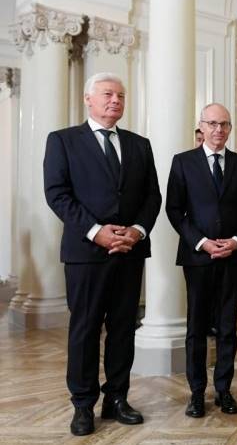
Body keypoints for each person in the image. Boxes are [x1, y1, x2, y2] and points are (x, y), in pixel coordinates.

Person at [43, 72, 161, 436]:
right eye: (108, 94)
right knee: (85, 330)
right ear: (88, 99)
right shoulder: (63, 140)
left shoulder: (139, 144)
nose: (116, 101)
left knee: (124, 329)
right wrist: (97, 232)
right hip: (85, 253)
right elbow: (58, 193)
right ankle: (82, 405)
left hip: (129, 252)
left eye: (121, 96)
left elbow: (152, 197)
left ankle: (116, 399)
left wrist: (137, 232)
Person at [165, 103, 237, 418]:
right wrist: (203, 243)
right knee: (195, 328)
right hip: (198, 258)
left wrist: (235, 242)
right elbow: (174, 210)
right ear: (201, 127)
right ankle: (196, 393)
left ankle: (223, 389)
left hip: (232, 258)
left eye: (224, 124)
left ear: (230, 129)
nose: (219, 130)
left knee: (227, 327)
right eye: (212, 123)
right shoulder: (183, 163)